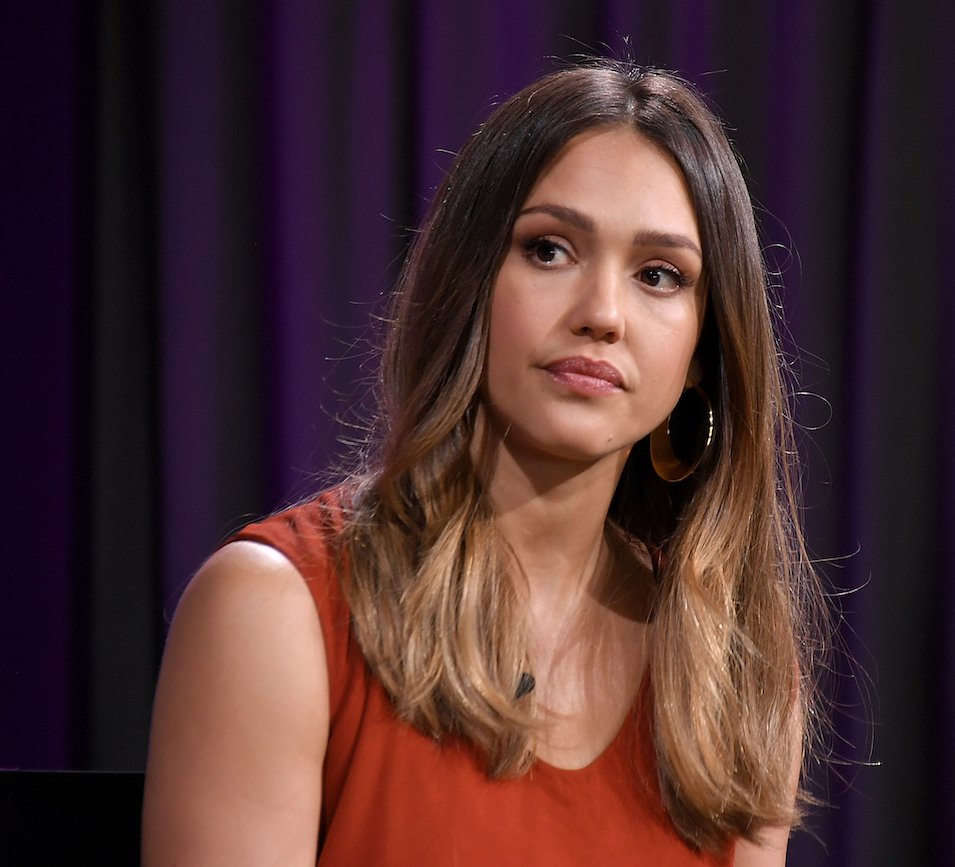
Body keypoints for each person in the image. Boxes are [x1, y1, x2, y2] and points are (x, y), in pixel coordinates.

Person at [142, 59, 825, 866]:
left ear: (703, 353)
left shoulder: (731, 678)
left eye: (658, 275)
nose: (603, 314)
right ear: (469, 282)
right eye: (549, 250)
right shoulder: (278, 611)